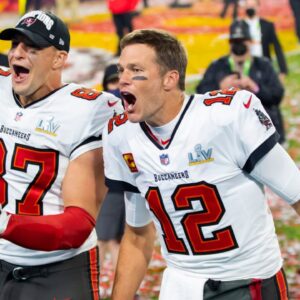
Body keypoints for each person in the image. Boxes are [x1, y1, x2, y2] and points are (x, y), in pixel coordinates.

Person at [102, 28, 300, 300]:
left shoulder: (227, 117)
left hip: (247, 281)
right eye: (121, 69)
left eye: (135, 70)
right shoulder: (121, 135)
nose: (122, 80)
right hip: (181, 284)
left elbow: (297, 193)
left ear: (169, 79)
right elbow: (137, 235)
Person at [0, 10, 123, 300]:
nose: (18, 54)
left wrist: (4, 224)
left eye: (32, 48)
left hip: (56, 269)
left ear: (59, 59)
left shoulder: (86, 111)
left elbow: (77, 225)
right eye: (14, 45)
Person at [196, 20, 286, 144]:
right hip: (227, 138)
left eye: (242, 40)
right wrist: (219, 88)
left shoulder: (263, 65)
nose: (239, 45)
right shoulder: (217, 66)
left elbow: (277, 95)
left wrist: (255, 88)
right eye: (235, 41)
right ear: (229, 43)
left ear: (250, 42)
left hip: (263, 134)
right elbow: (200, 94)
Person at [96, 63, 125, 271]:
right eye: (112, 82)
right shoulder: (98, 114)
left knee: (120, 241)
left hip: (133, 187)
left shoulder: (136, 110)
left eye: (120, 81)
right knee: (103, 239)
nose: (117, 87)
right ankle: (91, 289)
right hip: (109, 186)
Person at [241, 0, 288, 81]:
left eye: (253, 5)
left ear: (258, 7)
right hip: (246, 70)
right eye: (248, 5)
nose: (250, 8)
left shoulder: (267, 25)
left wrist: (283, 71)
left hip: (264, 68)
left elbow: (277, 48)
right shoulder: (239, 26)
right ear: (244, 7)